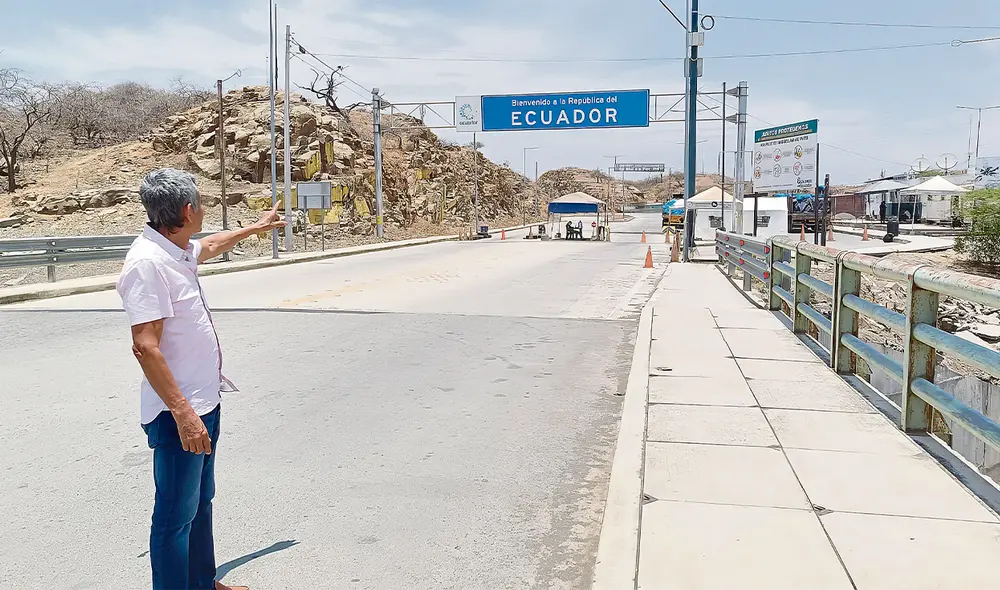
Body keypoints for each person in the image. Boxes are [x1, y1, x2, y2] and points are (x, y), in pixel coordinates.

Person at [117, 168, 285, 590]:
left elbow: (209, 245)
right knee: (174, 516)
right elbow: (145, 346)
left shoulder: (176, 249)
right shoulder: (147, 264)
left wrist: (256, 228)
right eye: (203, 203)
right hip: (180, 414)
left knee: (200, 503)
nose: (207, 210)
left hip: (205, 402)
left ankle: (203, 582)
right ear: (189, 210)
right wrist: (183, 414)